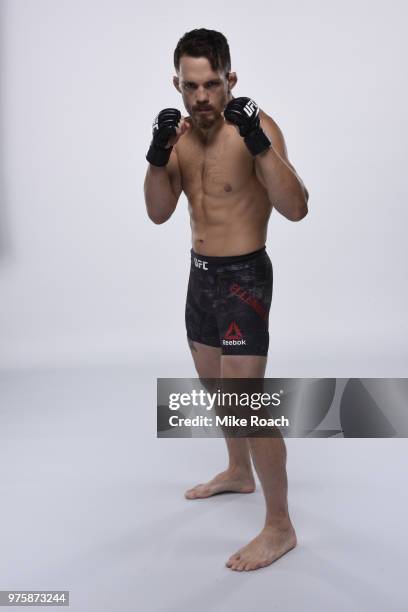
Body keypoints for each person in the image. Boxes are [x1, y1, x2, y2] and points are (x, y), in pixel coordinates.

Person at [144, 28, 309, 572]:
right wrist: (154, 156)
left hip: (244, 280)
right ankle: (238, 472)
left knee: (247, 400)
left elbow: (296, 207)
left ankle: (280, 526)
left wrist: (261, 147)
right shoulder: (179, 137)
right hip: (199, 278)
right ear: (177, 84)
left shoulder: (256, 128)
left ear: (230, 80)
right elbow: (159, 211)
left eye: (212, 84)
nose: (202, 97)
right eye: (191, 86)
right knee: (216, 386)